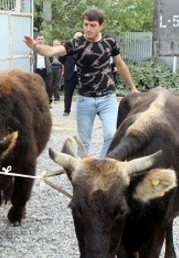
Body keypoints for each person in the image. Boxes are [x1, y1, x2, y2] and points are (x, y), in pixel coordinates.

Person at [23, 8, 138, 157]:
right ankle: (83, 170)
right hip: (85, 99)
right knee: (84, 141)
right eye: (85, 24)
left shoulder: (110, 41)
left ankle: (100, 166)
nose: (88, 28)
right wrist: (35, 46)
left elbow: (120, 64)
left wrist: (133, 88)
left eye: (92, 25)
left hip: (107, 97)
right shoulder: (76, 43)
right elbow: (51, 51)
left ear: (100, 26)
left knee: (112, 135)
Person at [32, 33, 53, 105]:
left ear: (44, 40)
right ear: (36, 40)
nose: (40, 41)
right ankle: (38, 102)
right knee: (37, 86)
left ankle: (48, 102)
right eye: (39, 39)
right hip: (37, 71)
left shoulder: (47, 48)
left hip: (46, 70)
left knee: (48, 86)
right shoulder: (33, 49)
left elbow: (51, 58)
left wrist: (49, 66)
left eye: (41, 39)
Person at [60, 42, 77, 117]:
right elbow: (61, 59)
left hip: (82, 74)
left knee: (84, 93)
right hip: (70, 73)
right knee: (68, 93)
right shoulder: (68, 48)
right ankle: (67, 110)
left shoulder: (85, 48)